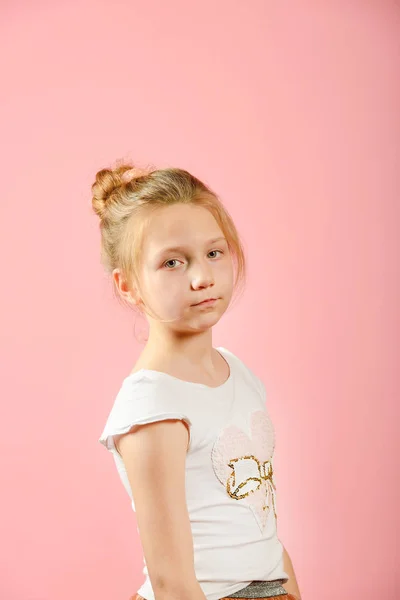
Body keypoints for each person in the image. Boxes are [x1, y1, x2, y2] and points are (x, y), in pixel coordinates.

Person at [92, 162, 302, 600]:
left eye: (213, 252)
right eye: (172, 262)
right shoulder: (154, 405)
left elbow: (260, 522)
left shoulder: (236, 371)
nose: (202, 277)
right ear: (128, 285)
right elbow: (173, 583)